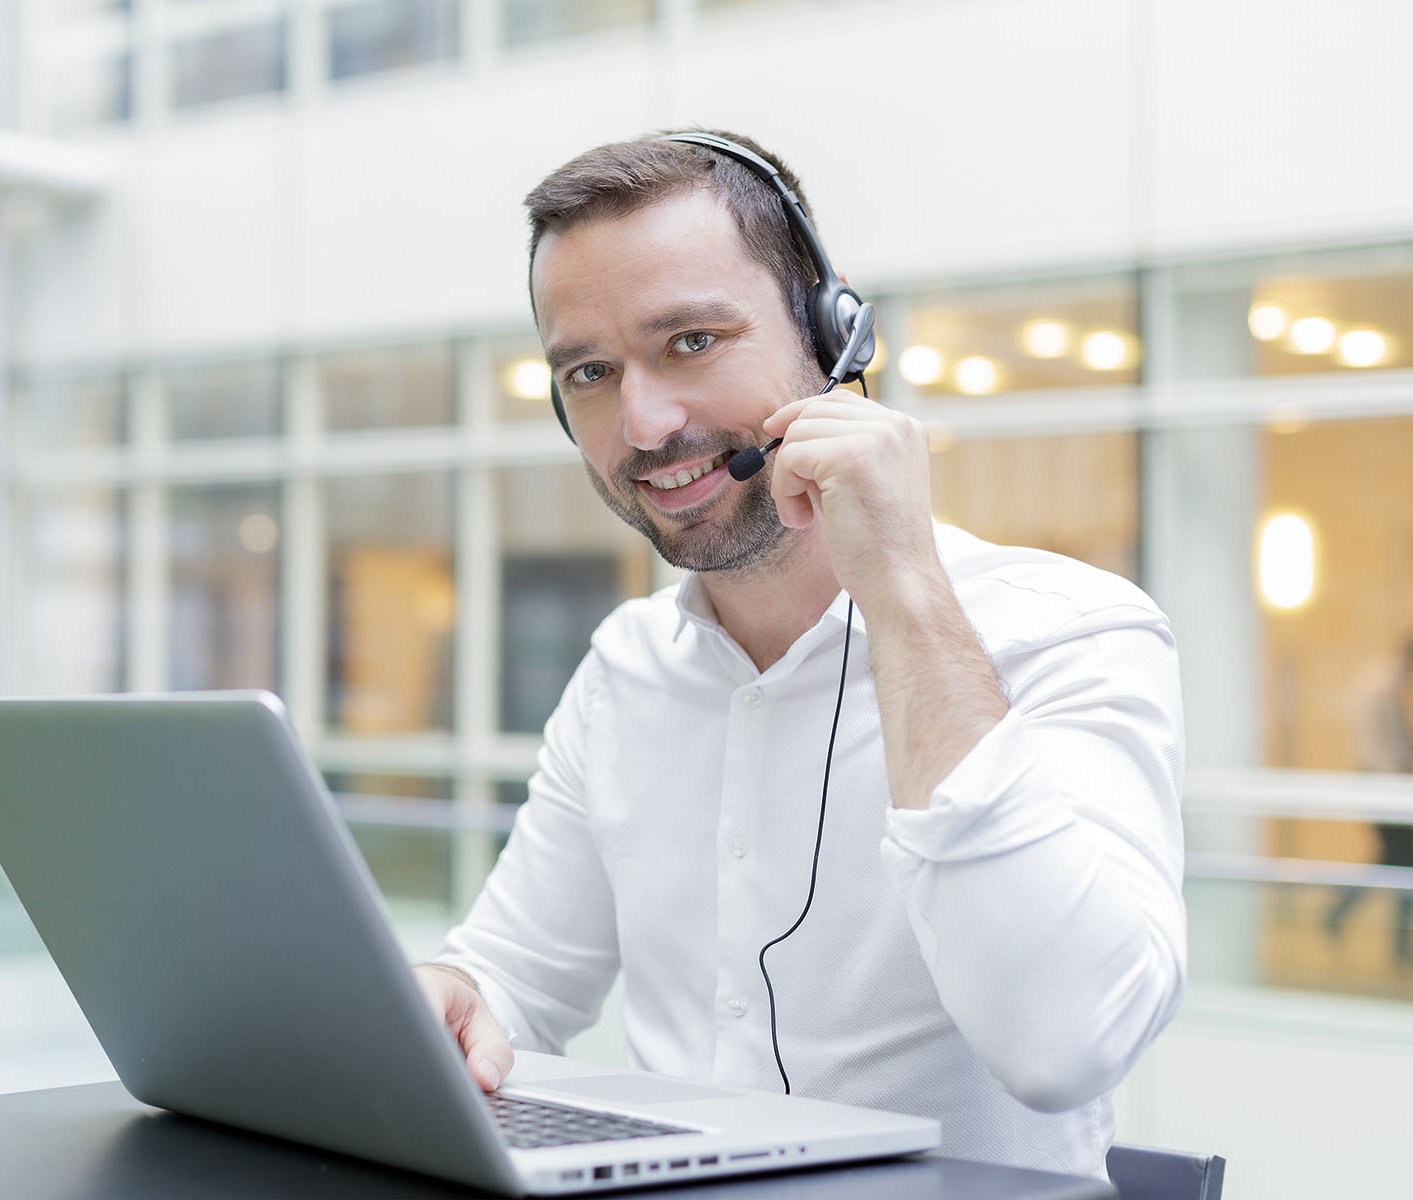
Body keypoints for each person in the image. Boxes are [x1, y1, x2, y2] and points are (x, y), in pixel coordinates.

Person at [414, 131, 1187, 1180]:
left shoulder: (1067, 630)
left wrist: (905, 591)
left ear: (834, 333)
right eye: (591, 372)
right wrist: (456, 993)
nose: (644, 422)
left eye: (691, 341)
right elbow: (515, 980)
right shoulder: (626, 669)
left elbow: (1065, 1046)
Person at [1324, 638, 1413, 964]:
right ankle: (1397, 943)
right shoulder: (1382, 686)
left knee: (1396, 859)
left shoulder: (1380, 681)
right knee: (1397, 859)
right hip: (1382, 780)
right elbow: (1389, 746)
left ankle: (1397, 943)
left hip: (1381, 778)